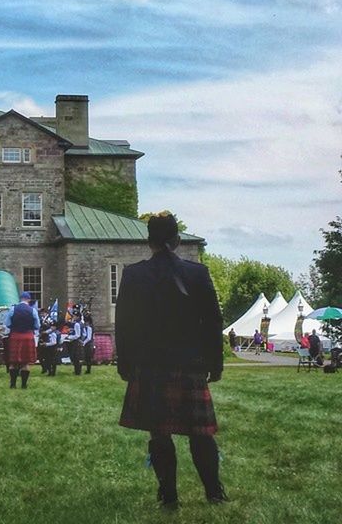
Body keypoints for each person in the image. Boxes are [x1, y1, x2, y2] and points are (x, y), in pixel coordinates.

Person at [115, 212, 227, 508]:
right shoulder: (197, 273)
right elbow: (213, 322)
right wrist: (215, 363)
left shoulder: (134, 274)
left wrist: (124, 363)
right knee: (201, 434)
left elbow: (123, 323)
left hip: (150, 365)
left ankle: (169, 496)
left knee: (159, 433)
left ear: (149, 241)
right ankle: (214, 492)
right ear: (177, 241)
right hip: (190, 363)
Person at [5, 291, 40, 389]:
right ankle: (24, 385)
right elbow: (37, 325)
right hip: (28, 336)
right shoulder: (33, 310)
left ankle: (13, 384)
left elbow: (7, 323)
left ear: (20, 299)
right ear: (29, 300)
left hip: (15, 335)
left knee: (13, 362)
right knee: (25, 362)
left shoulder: (13, 309)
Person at [64, 310, 84, 375]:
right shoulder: (80, 323)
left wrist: (69, 337)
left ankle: (77, 371)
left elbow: (77, 335)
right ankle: (77, 370)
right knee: (76, 357)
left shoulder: (77, 324)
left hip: (76, 342)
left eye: (75, 316)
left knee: (76, 357)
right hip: (79, 341)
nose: (74, 317)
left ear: (78, 317)